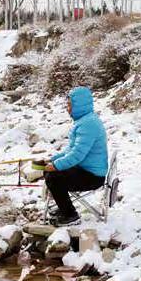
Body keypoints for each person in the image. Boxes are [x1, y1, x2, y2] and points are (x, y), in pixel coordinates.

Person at [44, 86, 108, 227]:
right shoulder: (85, 121)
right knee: (50, 172)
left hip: (92, 177)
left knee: (54, 177)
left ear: (79, 105)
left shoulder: (88, 124)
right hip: (88, 171)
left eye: (69, 105)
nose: (67, 108)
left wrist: (55, 166)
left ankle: (70, 215)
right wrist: (54, 159)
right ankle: (65, 208)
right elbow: (71, 149)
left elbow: (77, 155)